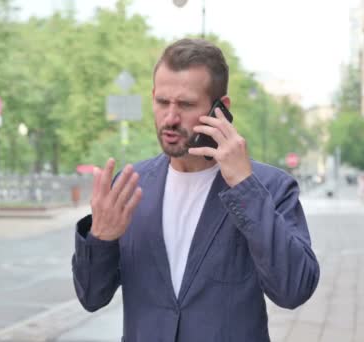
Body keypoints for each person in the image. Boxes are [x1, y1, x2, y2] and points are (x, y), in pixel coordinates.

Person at [72, 38, 320, 342]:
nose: (171, 118)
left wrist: (245, 188)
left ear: (221, 108)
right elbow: (91, 296)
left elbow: (294, 289)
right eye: (162, 102)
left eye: (186, 104)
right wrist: (101, 238)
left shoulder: (268, 187)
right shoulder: (130, 187)